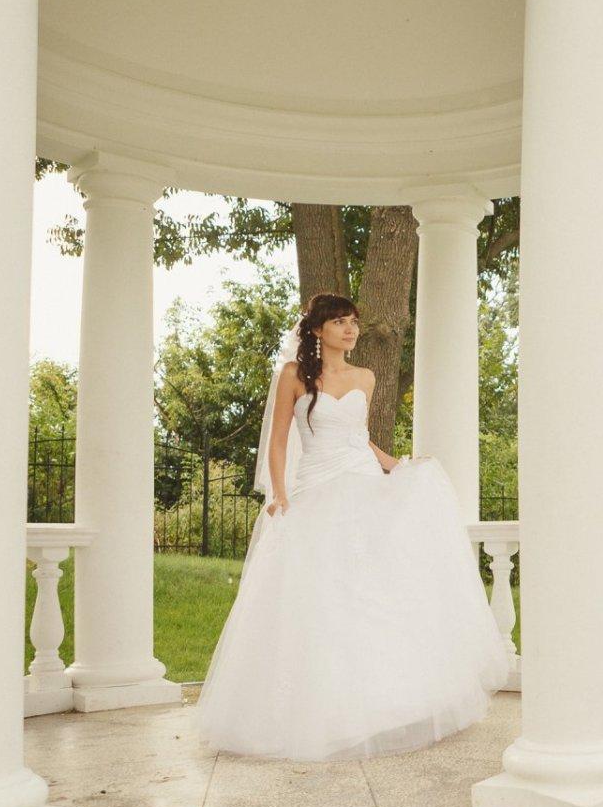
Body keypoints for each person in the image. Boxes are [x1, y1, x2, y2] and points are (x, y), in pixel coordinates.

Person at [194, 293, 512, 761]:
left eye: (353, 322)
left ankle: (390, 705)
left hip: (364, 485)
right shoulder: (293, 375)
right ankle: (322, 711)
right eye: (340, 322)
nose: (350, 330)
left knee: (378, 591)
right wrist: (279, 492)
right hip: (317, 487)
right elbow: (278, 441)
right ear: (317, 329)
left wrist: (400, 466)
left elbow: (359, 439)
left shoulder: (366, 376)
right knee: (322, 597)